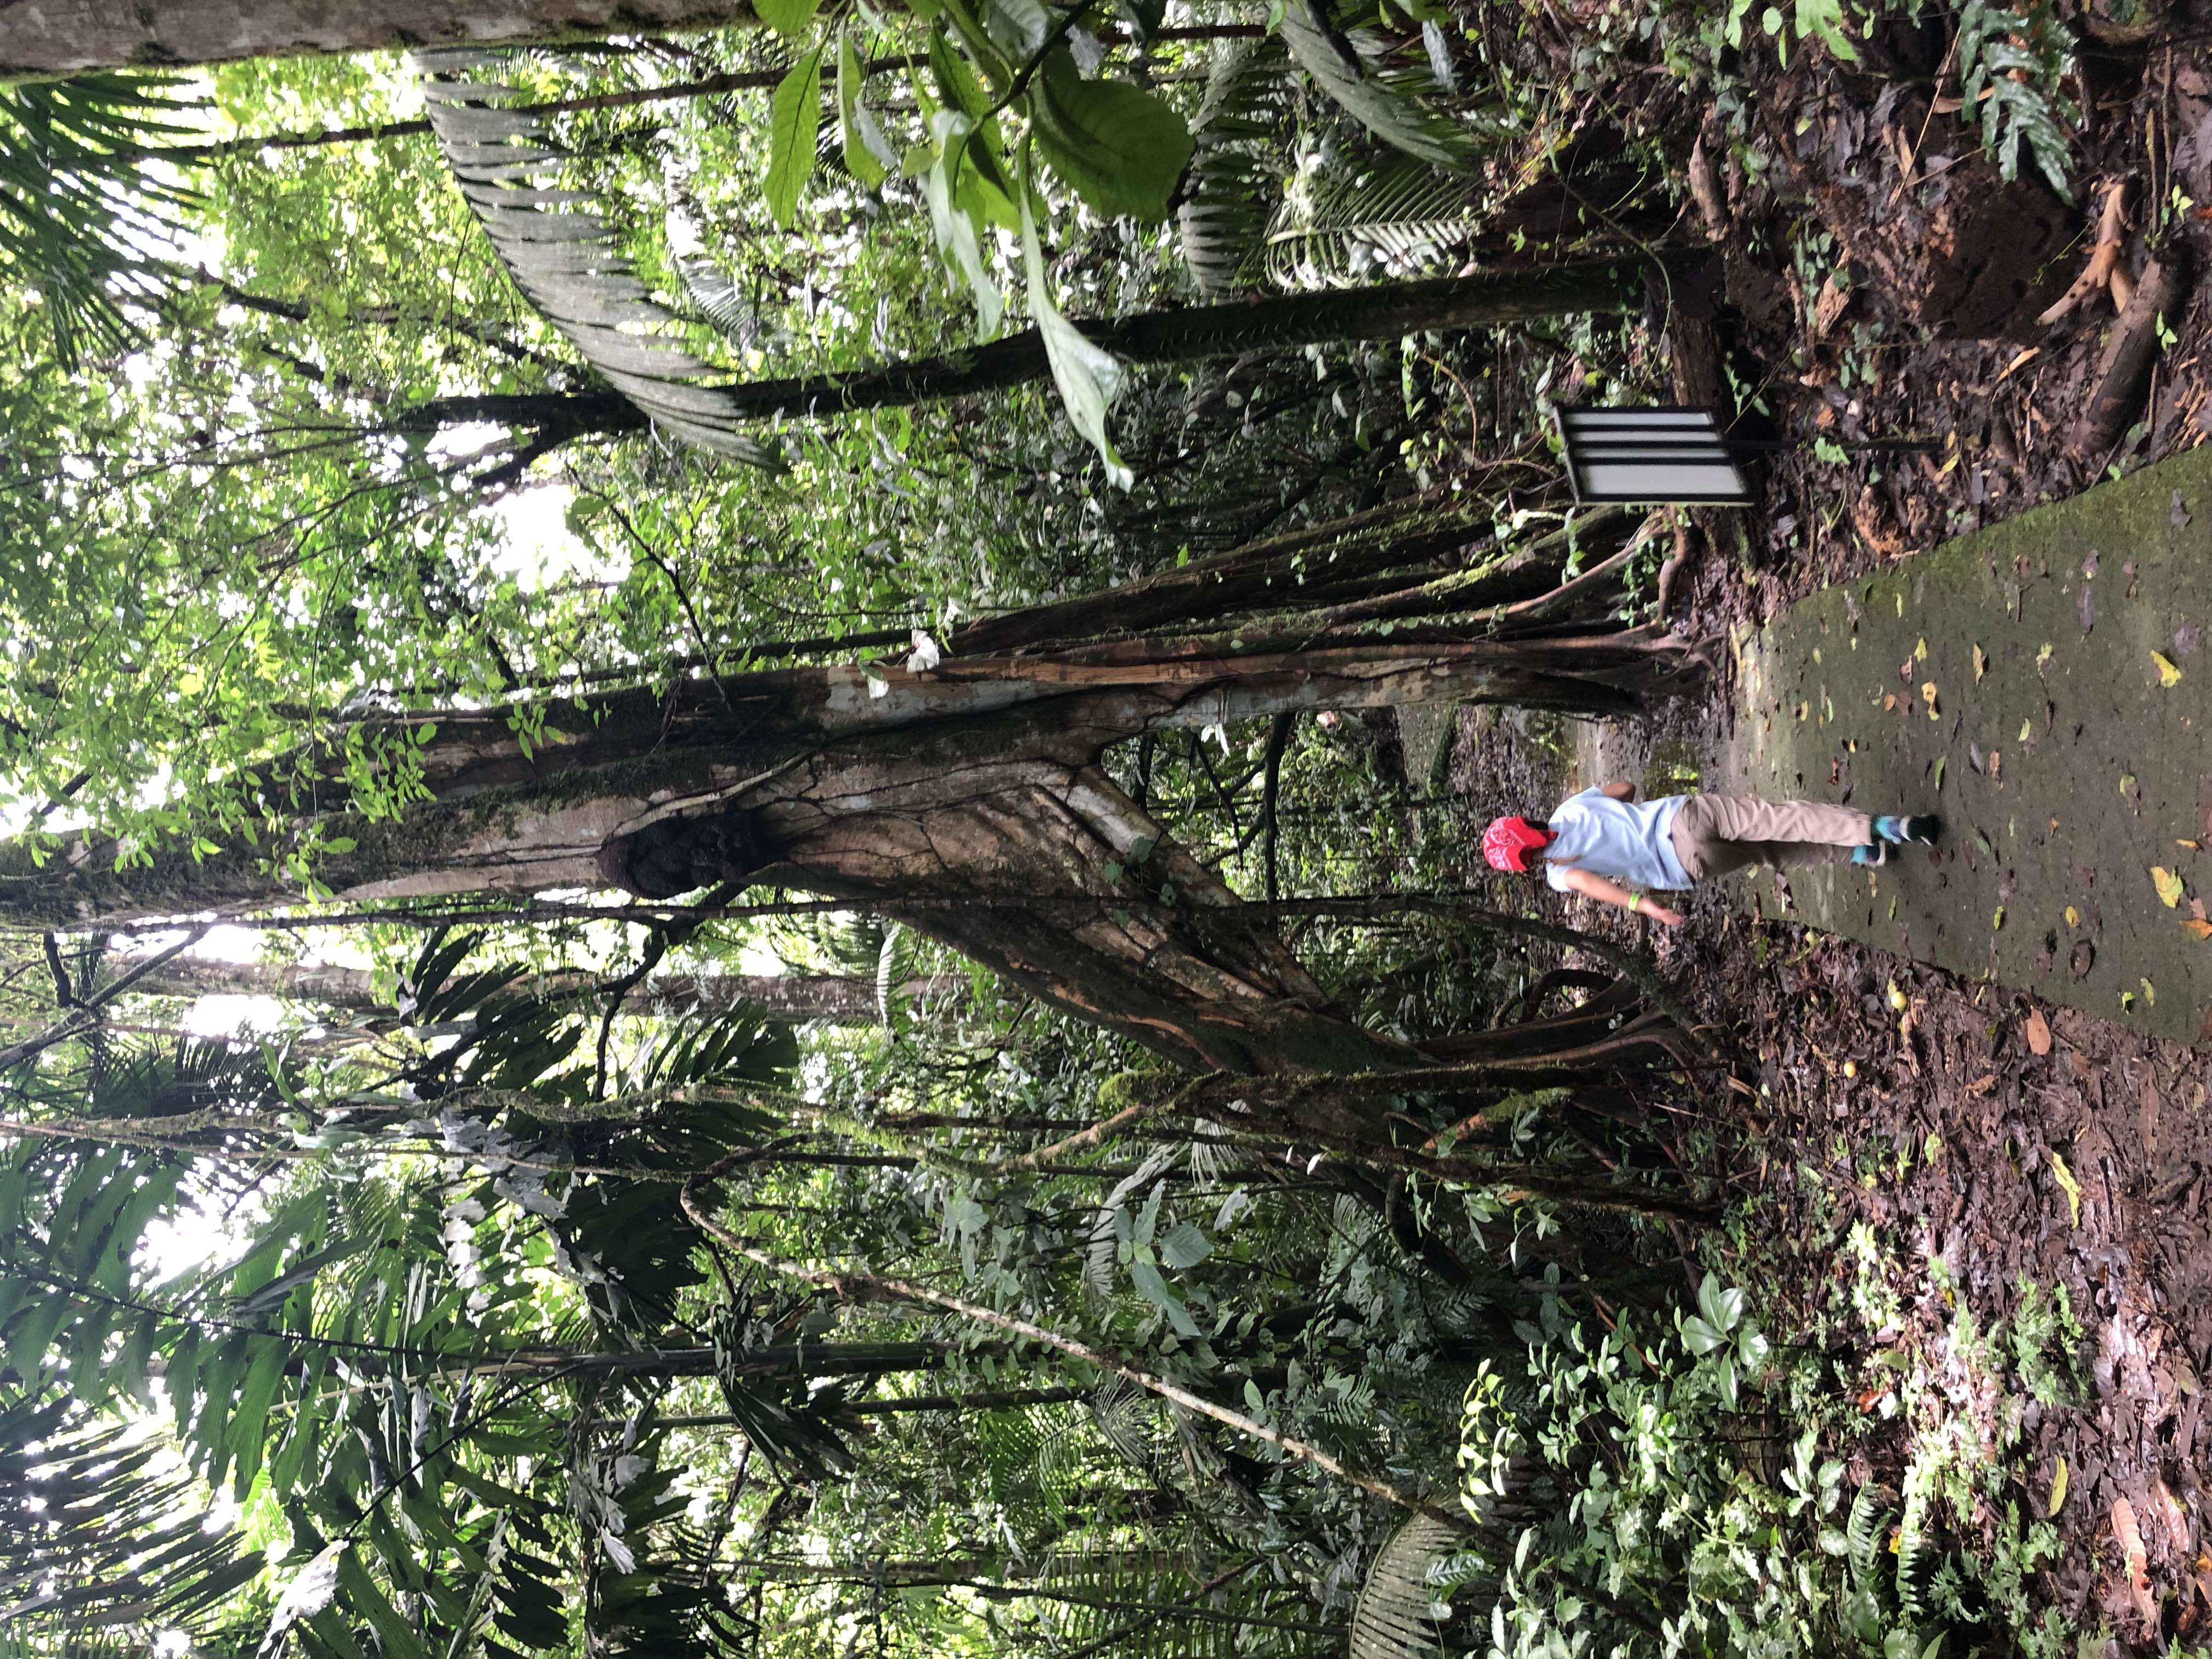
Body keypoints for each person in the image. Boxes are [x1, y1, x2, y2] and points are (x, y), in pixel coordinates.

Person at [1482, 783, 1939, 925]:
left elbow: (1597, 887)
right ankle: (1880, 827)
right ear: (1527, 822)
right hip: (1684, 819)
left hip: (1686, 865)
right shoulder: (1570, 807)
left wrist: (1651, 908)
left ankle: (1860, 855)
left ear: (1525, 865)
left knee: (1770, 853)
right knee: (1780, 818)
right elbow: (1624, 789)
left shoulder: (1560, 875)